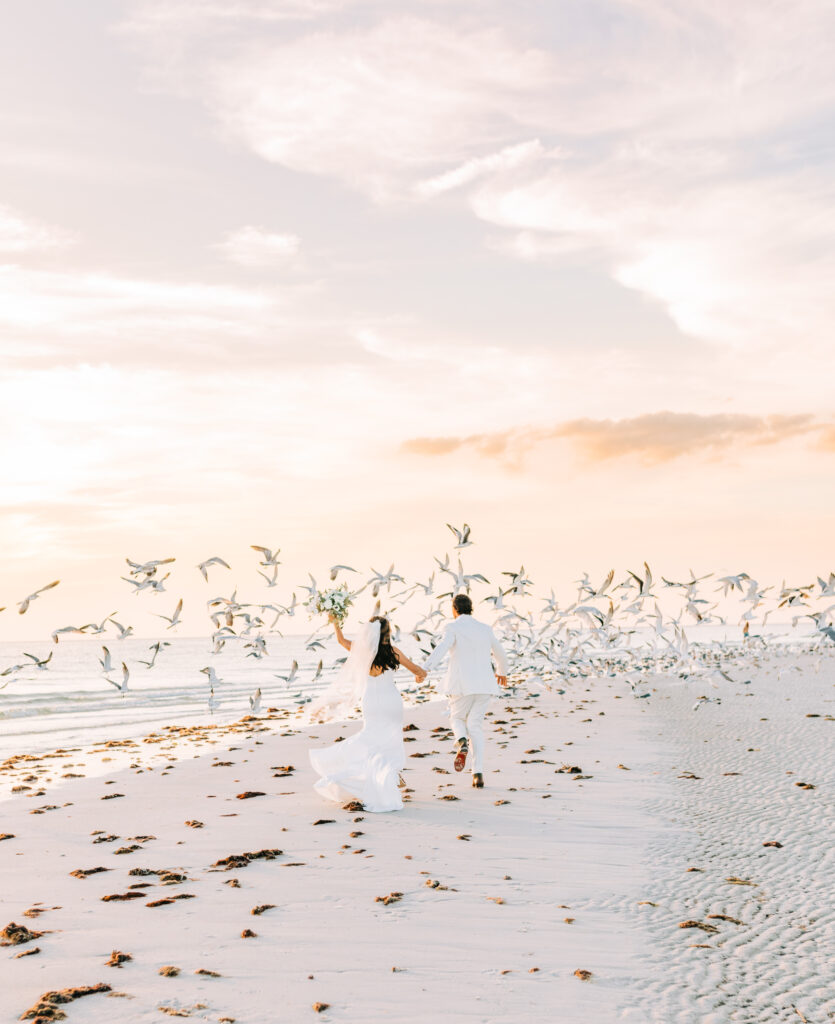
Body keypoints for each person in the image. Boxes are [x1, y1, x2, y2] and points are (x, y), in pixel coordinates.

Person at [308, 614, 427, 813]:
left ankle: (385, 775)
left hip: (371, 702)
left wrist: (335, 622)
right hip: (391, 702)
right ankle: (392, 774)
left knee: (371, 738)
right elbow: (418, 670)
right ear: (388, 633)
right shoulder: (393, 652)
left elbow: (341, 640)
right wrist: (420, 676)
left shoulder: (362, 652)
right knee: (391, 738)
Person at [422, 593, 509, 788]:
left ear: (454, 610)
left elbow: (442, 648)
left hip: (462, 685)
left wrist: (425, 669)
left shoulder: (452, 627)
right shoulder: (485, 629)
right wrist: (502, 671)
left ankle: (461, 740)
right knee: (476, 726)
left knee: (457, 718)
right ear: (472, 608)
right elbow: (500, 652)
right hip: (485, 685)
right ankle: (477, 773)